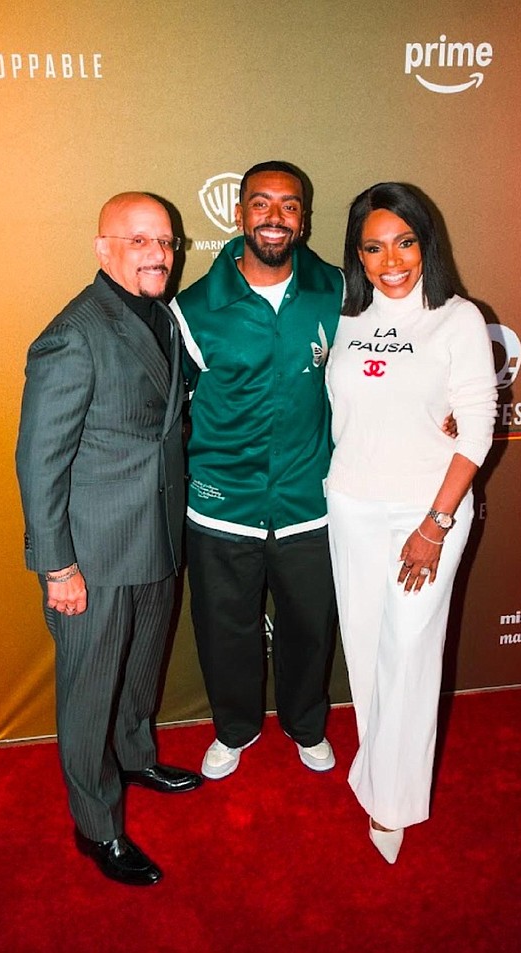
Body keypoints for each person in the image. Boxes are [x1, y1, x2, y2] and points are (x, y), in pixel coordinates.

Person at [15, 192, 203, 887]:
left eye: (167, 241)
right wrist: (57, 565)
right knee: (91, 687)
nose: (158, 253)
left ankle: (134, 755)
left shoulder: (159, 314)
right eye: (139, 240)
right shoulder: (74, 333)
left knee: (139, 667)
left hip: (155, 536)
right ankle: (97, 826)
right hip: (92, 554)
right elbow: (40, 462)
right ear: (102, 248)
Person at [325, 182, 497, 863]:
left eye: (404, 242)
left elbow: (477, 429)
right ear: (357, 254)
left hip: (429, 512)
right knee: (367, 651)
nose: (390, 260)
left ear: (427, 243)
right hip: (352, 503)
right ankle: (377, 765)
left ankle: (393, 801)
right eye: (372, 246)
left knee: (412, 651)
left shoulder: (455, 317)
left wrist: (434, 523)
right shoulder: (342, 314)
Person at [170, 161, 344, 780]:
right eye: (261, 204)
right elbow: (170, 411)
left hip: (309, 500)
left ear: (304, 218)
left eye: (289, 205)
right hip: (223, 504)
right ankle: (234, 729)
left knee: (310, 628)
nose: (275, 218)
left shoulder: (338, 290)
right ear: (239, 214)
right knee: (224, 632)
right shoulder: (192, 309)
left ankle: (305, 724)